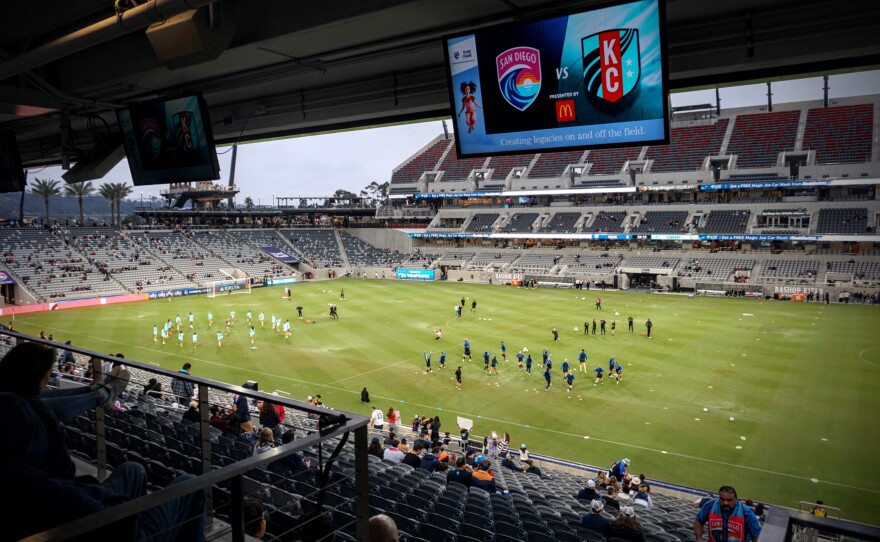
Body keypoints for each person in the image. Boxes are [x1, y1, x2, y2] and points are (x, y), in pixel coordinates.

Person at [694, 486, 762, 542]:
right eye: (722, 499)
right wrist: (699, 539)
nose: (725, 503)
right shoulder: (710, 506)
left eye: (729, 500)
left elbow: (757, 535)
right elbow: (698, 521)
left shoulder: (746, 512)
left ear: (736, 499)